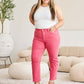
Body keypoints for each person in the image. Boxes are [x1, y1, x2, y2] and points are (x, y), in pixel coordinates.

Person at [29, 0, 64, 84]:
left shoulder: (55, 7)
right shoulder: (35, 7)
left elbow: (62, 20)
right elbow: (30, 17)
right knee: (35, 58)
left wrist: (55, 27)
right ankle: (36, 81)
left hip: (52, 35)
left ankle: (51, 81)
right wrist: (38, 25)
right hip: (38, 36)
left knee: (53, 58)